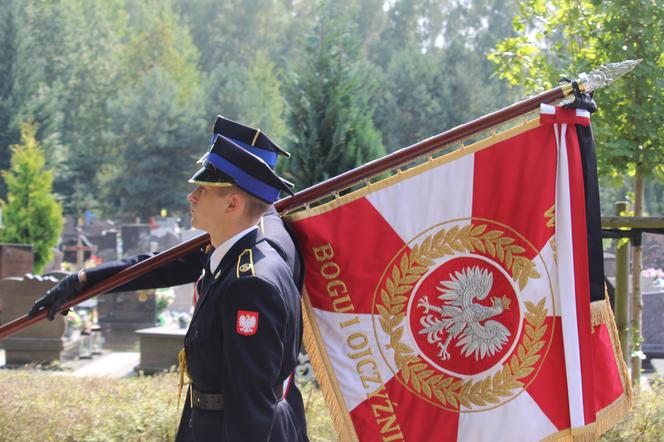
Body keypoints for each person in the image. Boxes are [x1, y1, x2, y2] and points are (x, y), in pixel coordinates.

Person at [29, 125, 309, 441]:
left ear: (233, 203)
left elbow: (250, 403)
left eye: (202, 188)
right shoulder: (237, 243)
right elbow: (166, 264)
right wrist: (83, 280)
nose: (191, 196)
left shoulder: (253, 275)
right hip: (210, 421)